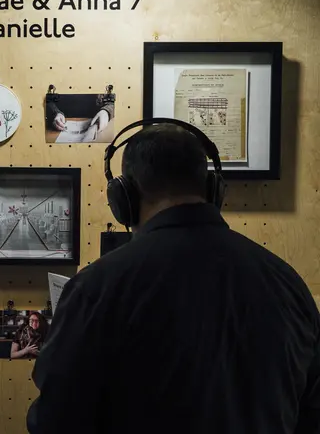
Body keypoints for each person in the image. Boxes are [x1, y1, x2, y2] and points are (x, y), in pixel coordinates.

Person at [26, 123, 320, 434]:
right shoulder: (287, 283)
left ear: (123, 197)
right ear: (212, 189)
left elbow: (55, 420)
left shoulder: (97, 288)